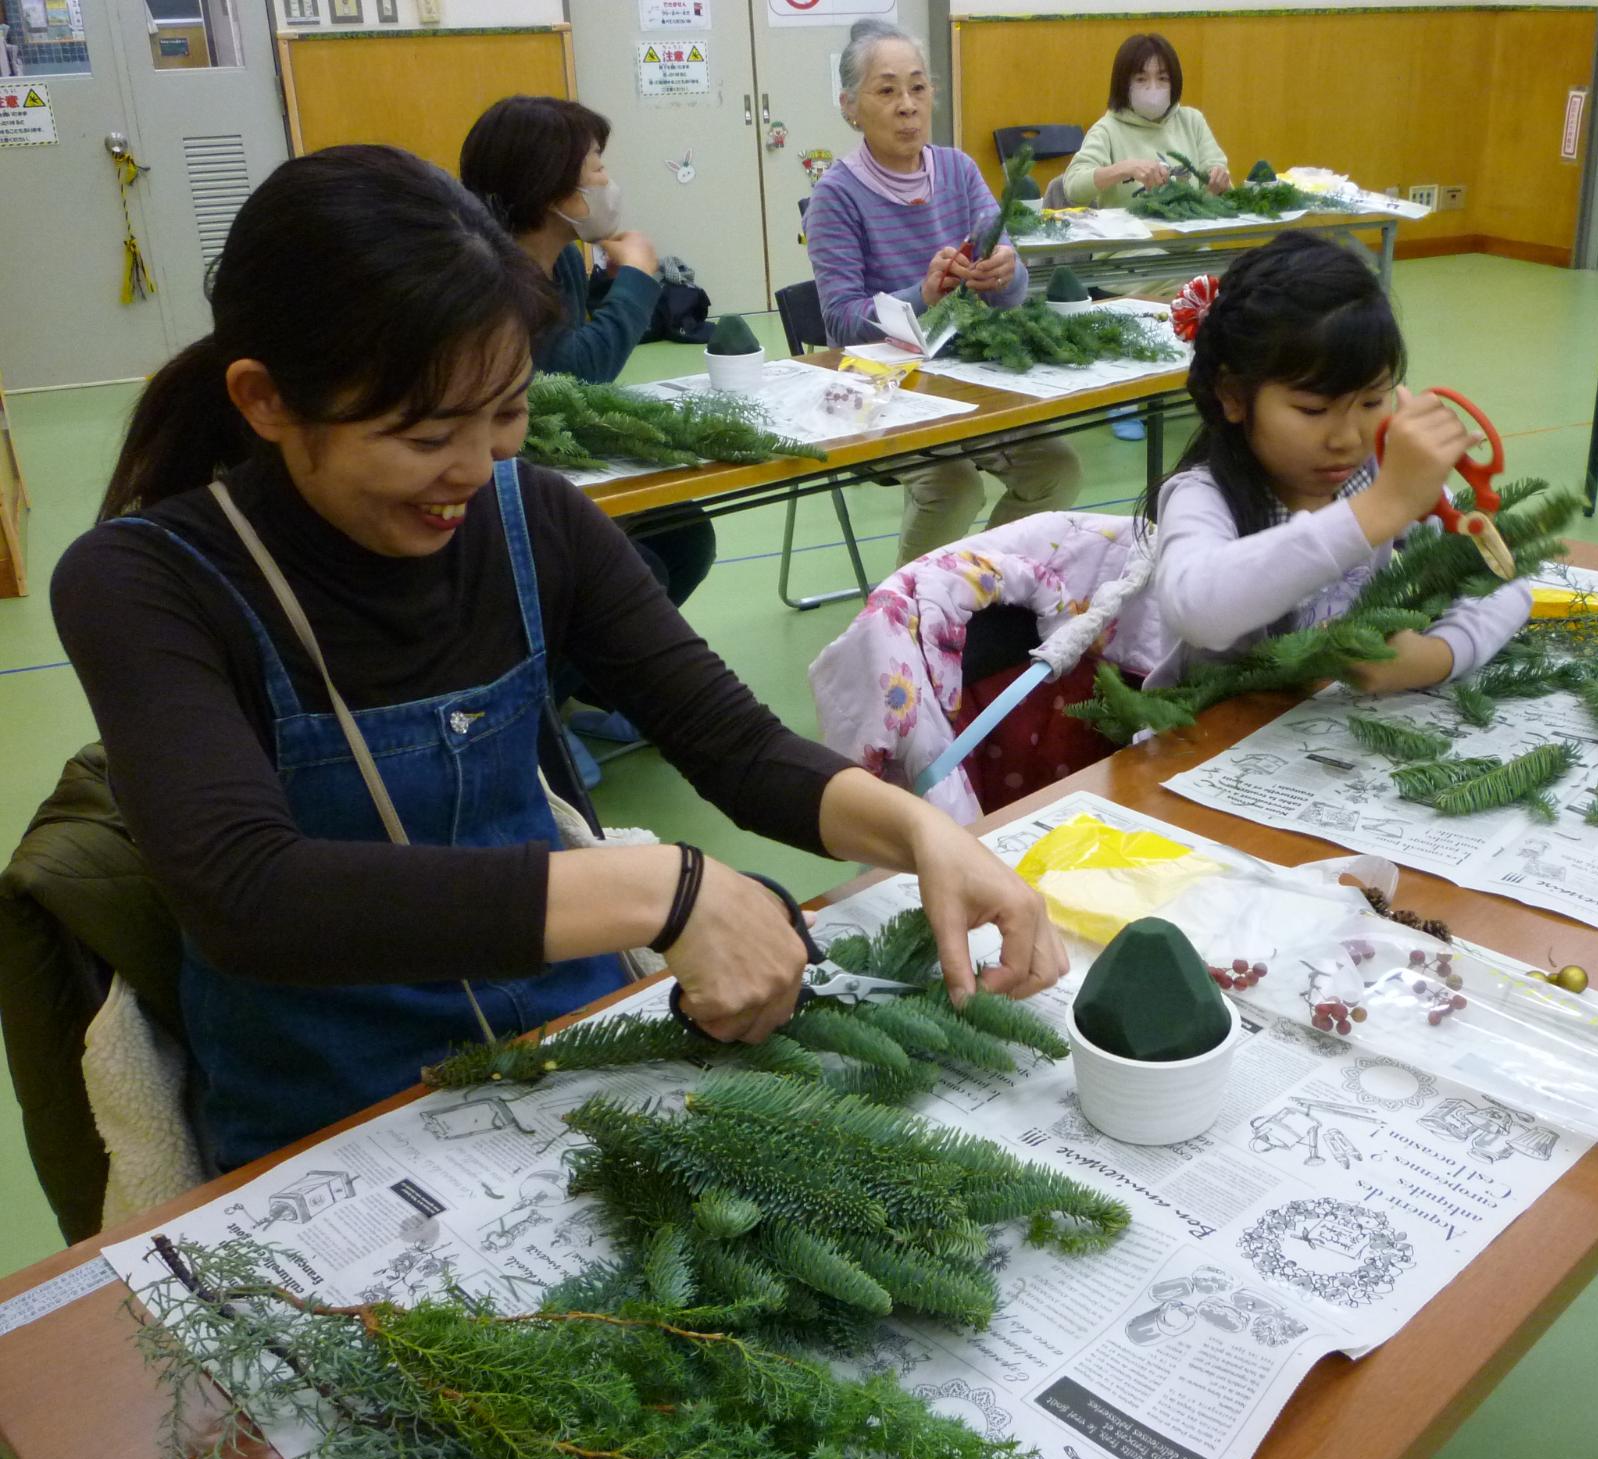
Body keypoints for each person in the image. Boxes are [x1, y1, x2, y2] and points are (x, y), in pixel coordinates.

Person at [50, 146, 1066, 1172]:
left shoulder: (531, 519)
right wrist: (660, 891)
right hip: (333, 1113)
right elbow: (249, 897)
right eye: (425, 434)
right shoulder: (145, 583)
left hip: (572, 1045)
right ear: (266, 400)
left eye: (507, 414)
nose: (474, 469)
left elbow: (731, 745)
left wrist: (921, 833)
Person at [1143, 233, 1530, 690]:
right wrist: (1382, 507)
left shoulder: (1380, 477)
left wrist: (1437, 656)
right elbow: (1197, 610)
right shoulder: (1203, 495)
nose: (1346, 439)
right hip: (1205, 743)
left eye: (1370, 402)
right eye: (1313, 410)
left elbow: (1504, 578)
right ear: (1233, 395)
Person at [460, 95, 718, 776]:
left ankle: (591, 688)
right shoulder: (493, 274)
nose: (607, 183)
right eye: (596, 167)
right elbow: (576, 371)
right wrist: (636, 277)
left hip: (567, 459)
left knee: (683, 533)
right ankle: (534, 713)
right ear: (552, 188)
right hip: (498, 477)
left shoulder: (564, 257)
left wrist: (609, 286)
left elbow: (574, 357)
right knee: (634, 565)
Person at [806, 18, 1083, 564]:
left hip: (968, 372)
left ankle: (983, 585)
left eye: (917, 87)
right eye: (886, 90)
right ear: (849, 106)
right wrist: (922, 297)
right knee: (952, 486)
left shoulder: (957, 170)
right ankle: (909, 617)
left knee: (1057, 469)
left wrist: (1005, 273)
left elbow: (1009, 284)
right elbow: (840, 322)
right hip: (883, 388)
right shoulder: (835, 196)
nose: (907, 104)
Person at [1061, 34, 1230, 213]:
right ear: (1124, 85)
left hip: (1188, 236)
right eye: (1141, 79)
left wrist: (1218, 183)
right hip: (1131, 238)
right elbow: (1073, 186)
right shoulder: (1107, 129)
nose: (1153, 88)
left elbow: (1219, 175)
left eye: (1162, 79)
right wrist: (1125, 168)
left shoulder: (1192, 121)